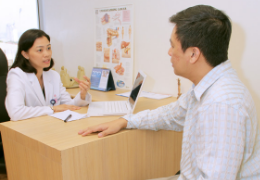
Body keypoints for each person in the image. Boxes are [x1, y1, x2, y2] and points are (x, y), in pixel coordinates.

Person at [78, 5, 260, 180]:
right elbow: (172, 114)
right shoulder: (208, 86)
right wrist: (125, 120)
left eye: (173, 46)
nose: (169, 52)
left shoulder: (221, 105)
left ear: (193, 54)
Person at [5, 29, 92, 121]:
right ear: (25, 54)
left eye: (48, 48)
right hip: (27, 130)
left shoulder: (53, 75)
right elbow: (16, 113)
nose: (47, 54)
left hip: (50, 126)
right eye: (39, 50)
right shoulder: (17, 75)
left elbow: (68, 105)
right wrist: (52, 109)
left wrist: (83, 94)